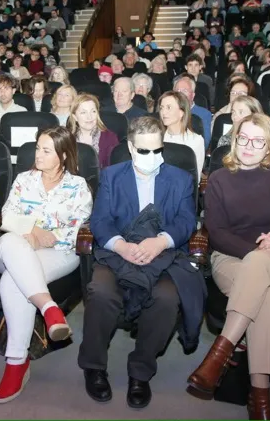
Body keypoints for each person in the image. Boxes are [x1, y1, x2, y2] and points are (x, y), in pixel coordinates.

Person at [188, 114, 270, 418]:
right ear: (235, 139)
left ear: (269, 145)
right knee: (266, 297)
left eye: (258, 141)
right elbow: (217, 233)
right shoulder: (218, 178)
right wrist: (256, 249)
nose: (248, 145)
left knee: (265, 275)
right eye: (243, 138)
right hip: (230, 260)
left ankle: (219, 353)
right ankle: (260, 396)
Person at [78, 116, 200, 409]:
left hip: (163, 255)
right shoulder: (111, 176)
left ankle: (140, 372)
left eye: (157, 150)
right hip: (119, 252)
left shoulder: (180, 179)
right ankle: (94, 366)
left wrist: (160, 241)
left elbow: (187, 221)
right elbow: (100, 221)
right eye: (144, 151)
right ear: (131, 147)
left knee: (167, 298)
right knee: (102, 292)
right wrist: (121, 246)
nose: (152, 157)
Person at [0, 127, 93, 403]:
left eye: (46, 150)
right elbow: (7, 216)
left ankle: (16, 361)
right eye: (37, 148)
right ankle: (49, 308)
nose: (38, 154)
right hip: (12, 248)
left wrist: (48, 238)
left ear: (63, 155)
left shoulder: (78, 187)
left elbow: (77, 230)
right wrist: (33, 233)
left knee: (13, 281)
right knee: (13, 245)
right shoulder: (25, 180)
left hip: (59, 253)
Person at [158, 91, 205, 175]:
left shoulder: (196, 141)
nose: (163, 112)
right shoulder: (156, 137)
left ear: (181, 112)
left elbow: (195, 177)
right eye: (161, 108)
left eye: (169, 107)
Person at [67, 93, 119, 168]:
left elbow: (114, 170)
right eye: (83, 112)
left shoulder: (110, 138)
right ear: (75, 117)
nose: (89, 117)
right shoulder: (67, 139)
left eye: (93, 111)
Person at [174, 74, 212, 146]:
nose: (180, 94)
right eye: (177, 91)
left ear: (193, 95)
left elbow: (204, 143)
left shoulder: (204, 114)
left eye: (184, 91)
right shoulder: (168, 112)